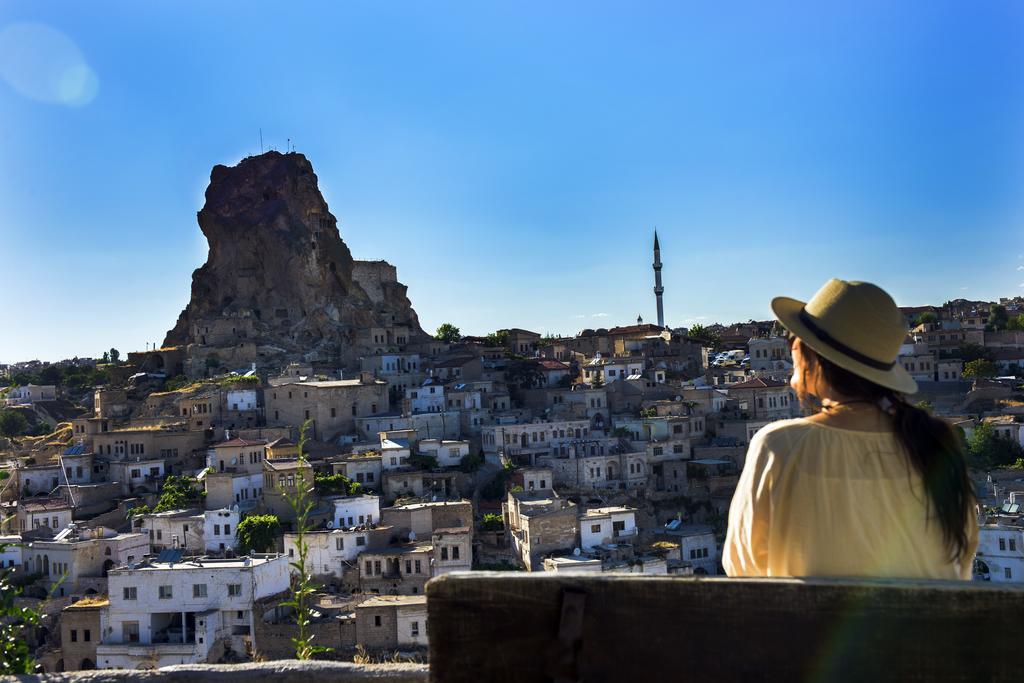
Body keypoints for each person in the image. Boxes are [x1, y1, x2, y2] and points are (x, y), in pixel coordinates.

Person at [723, 279, 978, 579]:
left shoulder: (779, 448)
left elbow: (743, 569)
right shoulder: (936, 444)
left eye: (796, 338)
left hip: (808, 625)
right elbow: (961, 564)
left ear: (813, 357)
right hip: (934, 626)